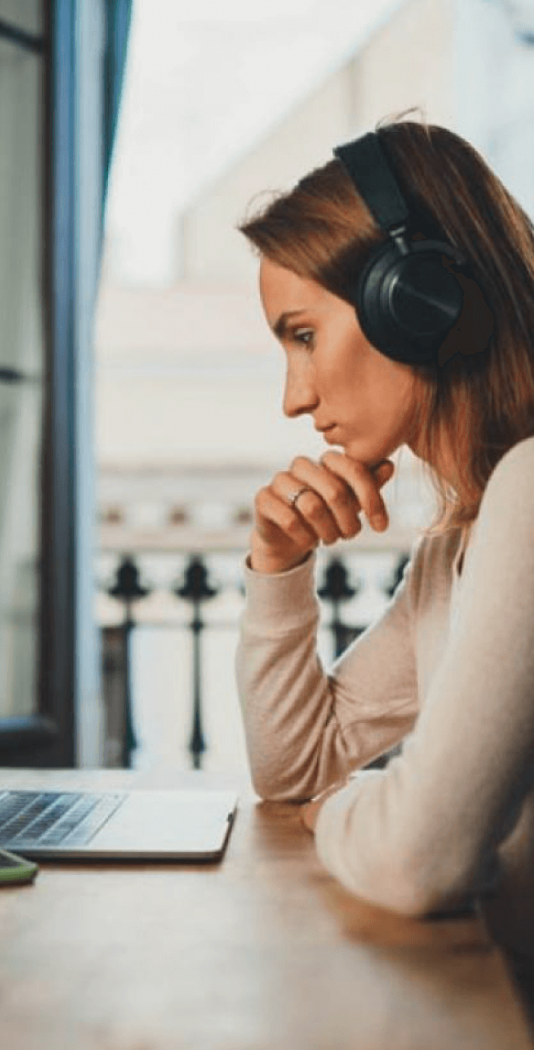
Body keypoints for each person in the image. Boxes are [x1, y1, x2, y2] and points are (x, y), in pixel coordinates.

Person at [234, 111, 534, 1010]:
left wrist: (344, 815)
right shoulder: (460, 546)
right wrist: (277, 568)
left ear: (418, 300)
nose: (295, 399)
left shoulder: (532, 488)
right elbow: (297, 769)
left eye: (302, 335)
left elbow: (415, 859)